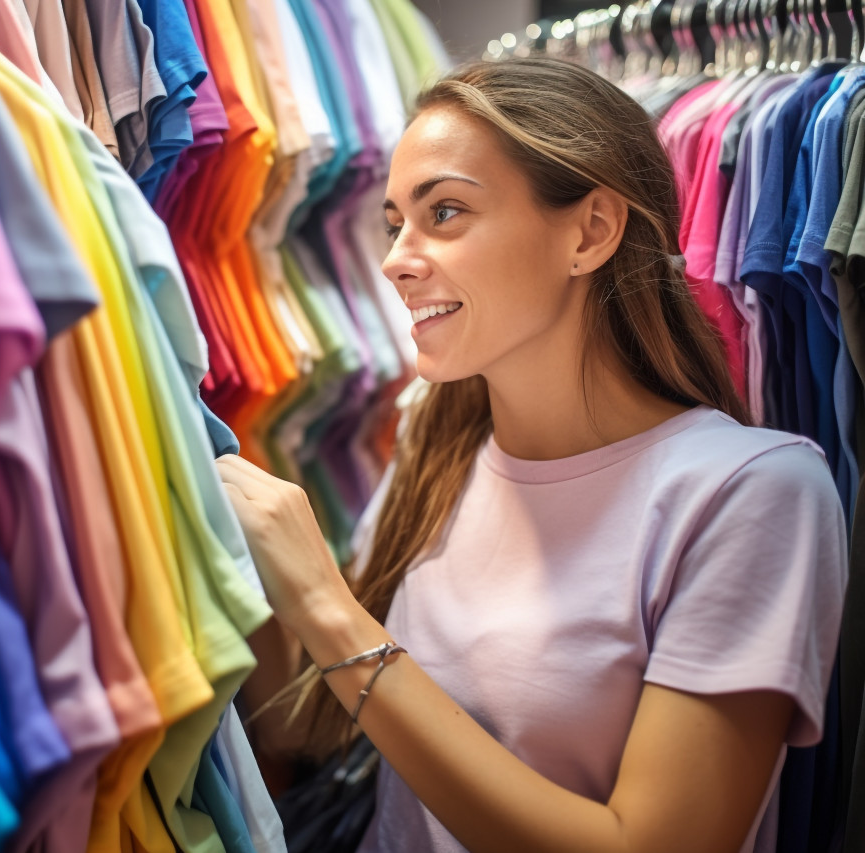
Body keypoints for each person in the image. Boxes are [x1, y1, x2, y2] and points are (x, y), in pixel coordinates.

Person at [216, 57, 849, 853]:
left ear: (590, 231)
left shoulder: (752, 493)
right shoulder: (436, 442)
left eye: (444, 212)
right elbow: (316, 721)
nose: (395, 259)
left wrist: (327, 607)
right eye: (393, 222)